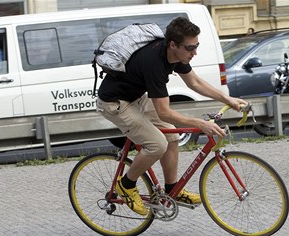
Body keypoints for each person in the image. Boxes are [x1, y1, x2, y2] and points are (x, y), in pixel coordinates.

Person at [96, 17, 248, 216]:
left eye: (196, 46)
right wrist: (201, 124)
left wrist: (228, 99)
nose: (195, 52)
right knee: (157, 144)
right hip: (115, 103)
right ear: (173, 44)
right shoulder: (154, 63)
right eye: (190, 48)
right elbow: (165, 112)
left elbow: (195, 83)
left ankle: (171, 190)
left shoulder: (177, 56)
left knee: (172, 137)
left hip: (137, 96)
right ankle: (126, 184)